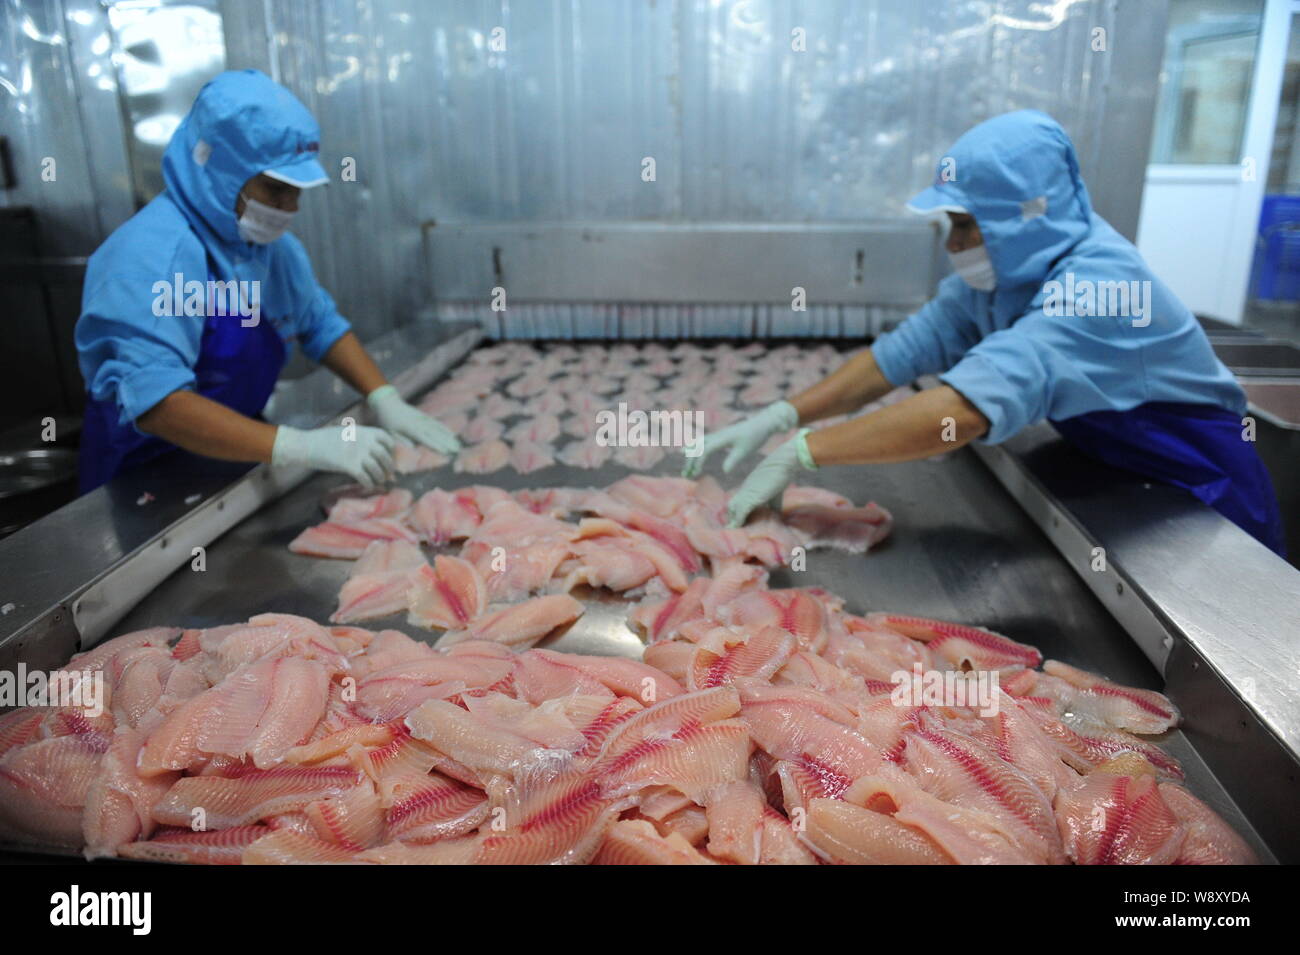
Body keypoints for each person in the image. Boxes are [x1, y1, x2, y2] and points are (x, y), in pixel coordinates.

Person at [696, 110, 1285, 557]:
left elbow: (965, 411)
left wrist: (805, 453)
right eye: (949, 226)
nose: (952, 244)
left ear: (1024, 216)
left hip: (1202, 500)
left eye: (965, 225)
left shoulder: (1098, 287)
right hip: (1125, 481)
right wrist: (782, 416)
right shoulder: (1011, 270)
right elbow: (902, 353)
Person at [75, 69, 459, 494]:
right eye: (277, 189)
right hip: (139, 478)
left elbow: (318, 324)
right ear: (218, 168)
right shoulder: (152, 258)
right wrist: (301, 446)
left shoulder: (270, 249)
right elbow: (158, 403)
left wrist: (384, 398)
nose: (290, 207)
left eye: (298, 191)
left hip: (235, 455)